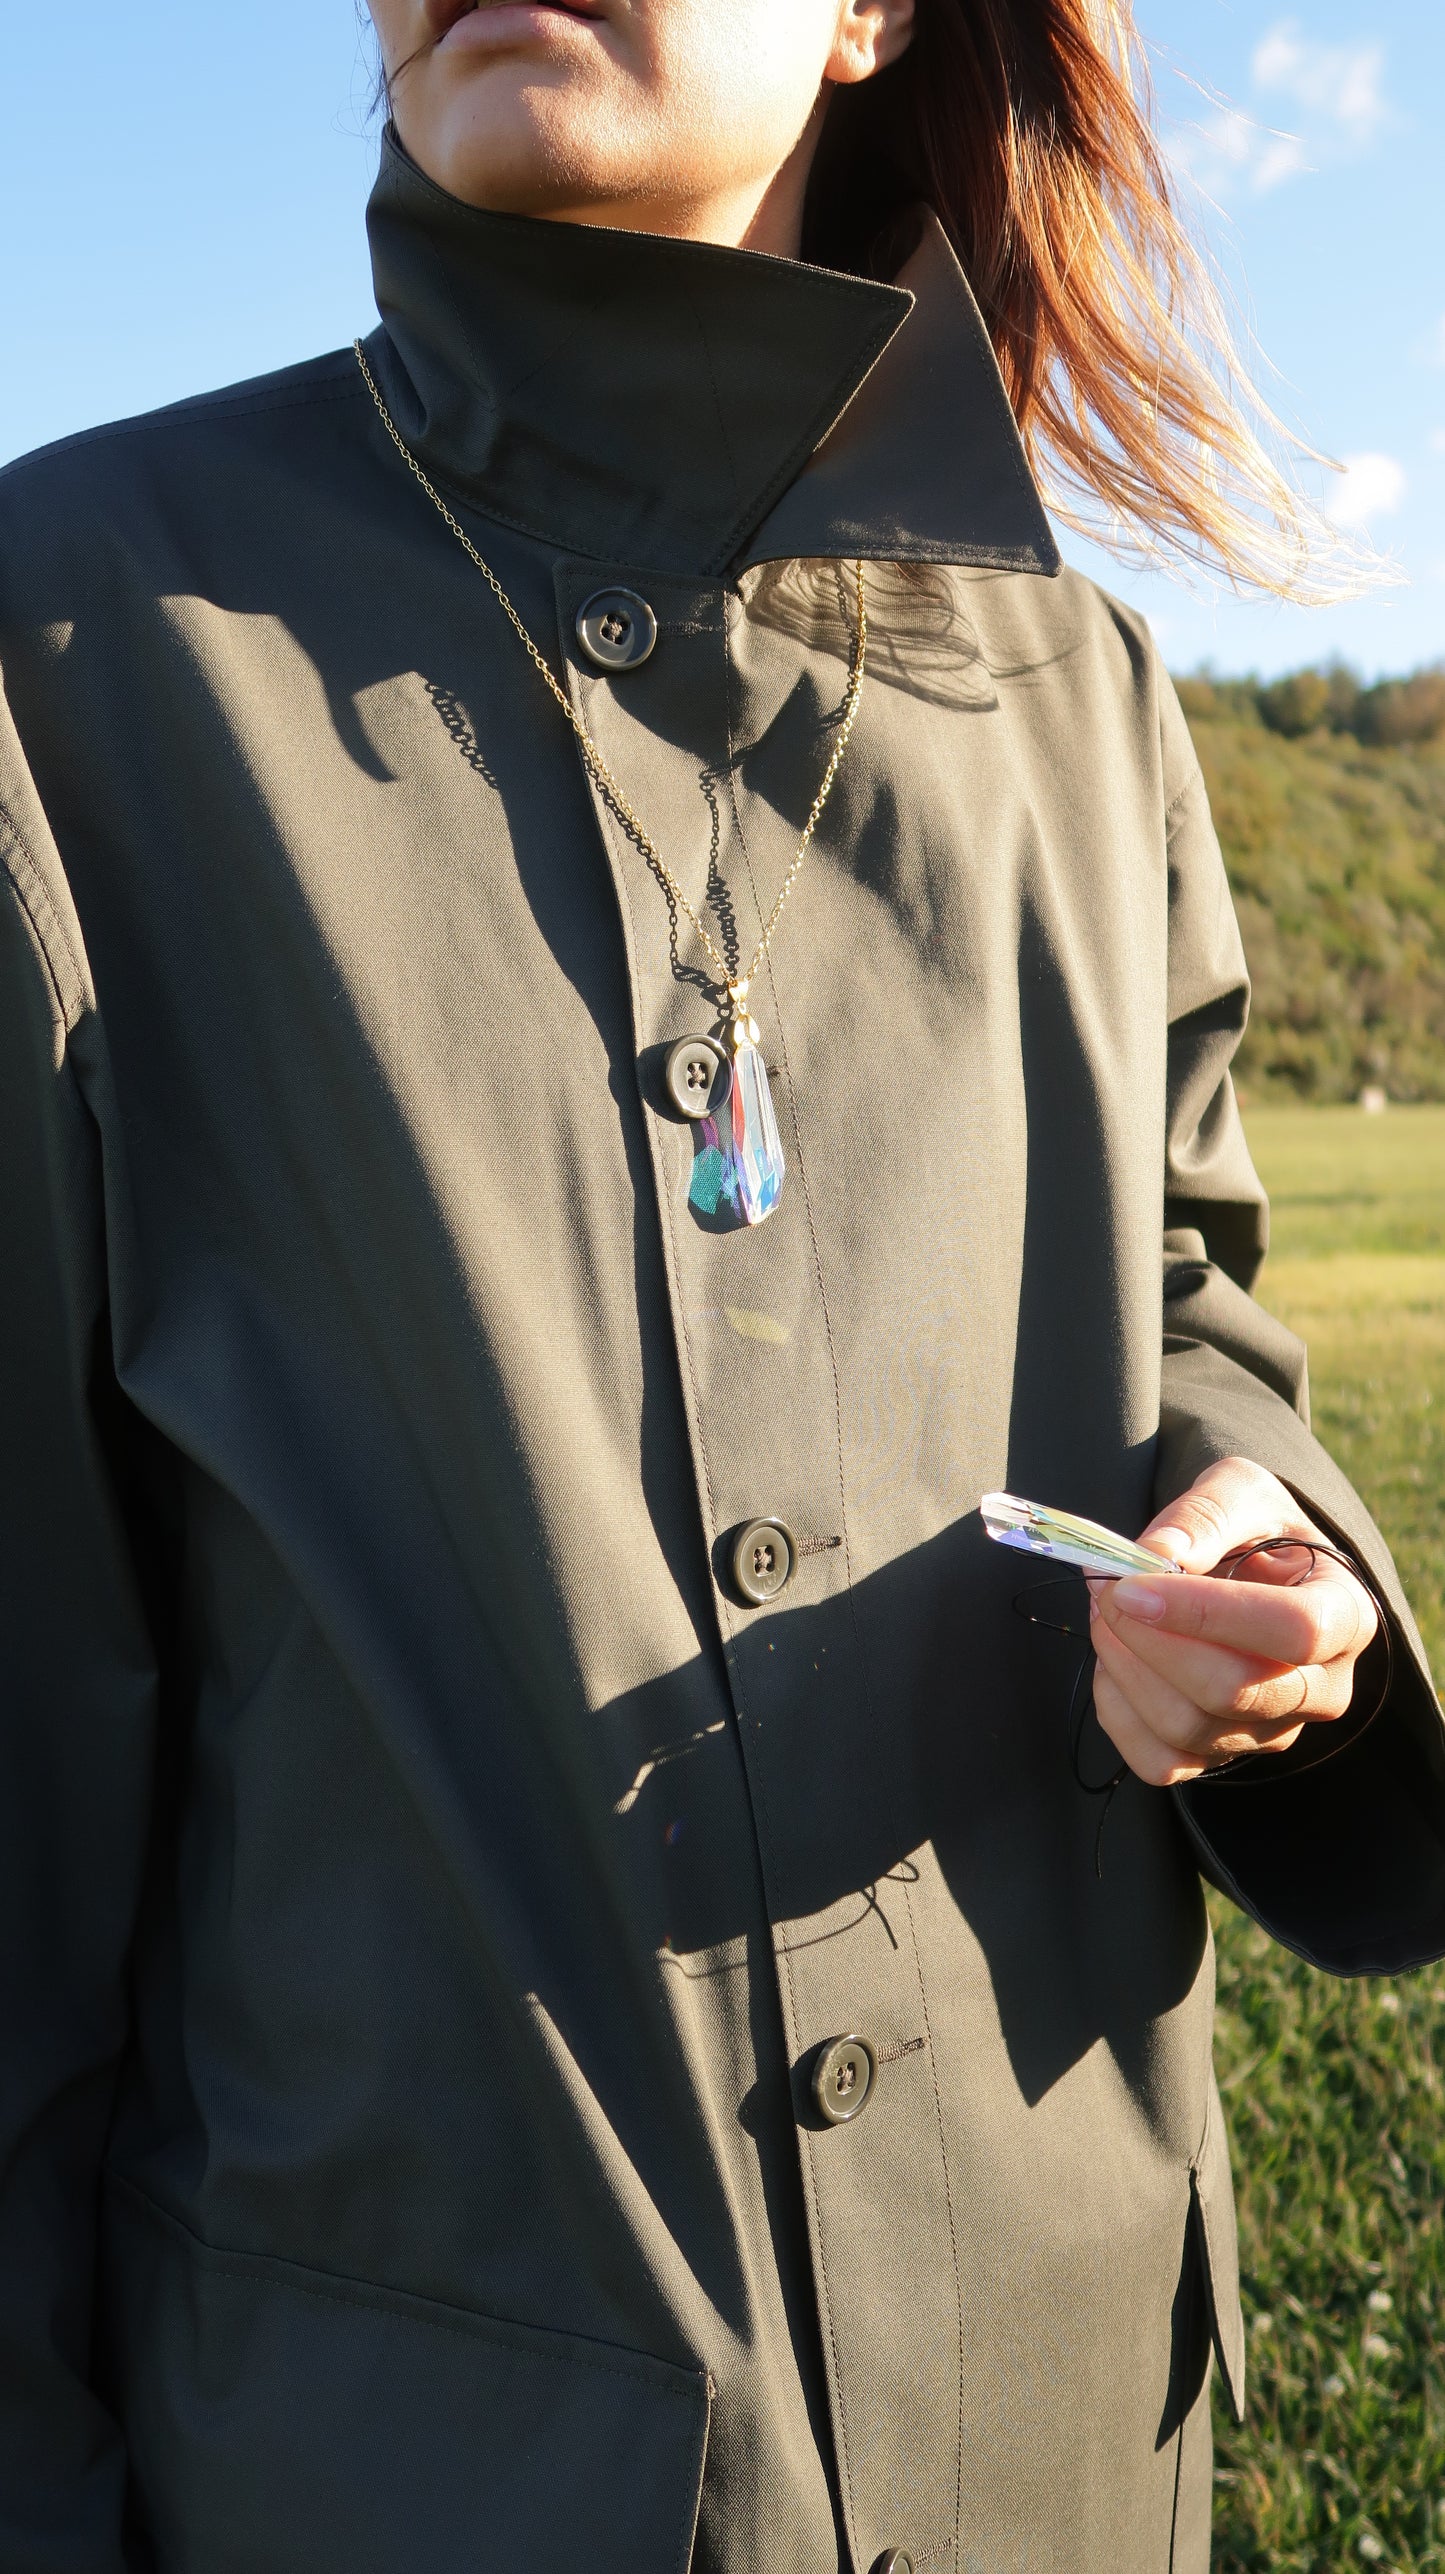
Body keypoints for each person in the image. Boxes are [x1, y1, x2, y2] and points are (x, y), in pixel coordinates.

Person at [1, 3, 1441, 2569]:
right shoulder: (72, 646)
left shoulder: (1085, 697)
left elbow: (1196, 1293)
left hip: (1074, 2444)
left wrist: (1263, 1529)